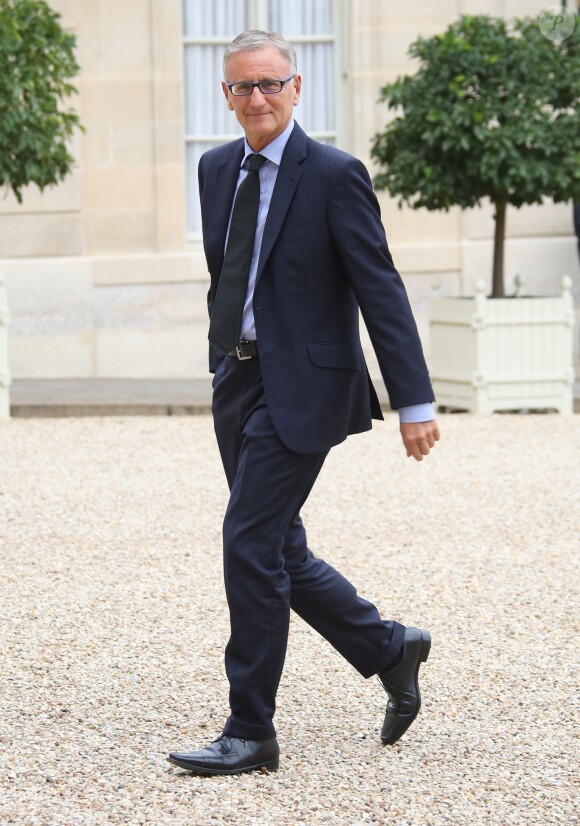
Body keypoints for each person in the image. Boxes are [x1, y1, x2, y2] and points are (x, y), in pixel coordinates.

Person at [168, 30, 440, 777]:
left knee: (249, 544)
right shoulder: (216, 167)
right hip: (239, 380)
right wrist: (224, 358)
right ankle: (389, 646)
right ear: (226, 96)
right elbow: (230, 273)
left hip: (309, 384)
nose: (254, 99)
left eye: (268, 84)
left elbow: (379, 286)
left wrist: (413, 399)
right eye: (239, 88)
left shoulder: (335, 174)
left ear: (295, 88)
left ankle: (250, 728)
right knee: (279, 545)